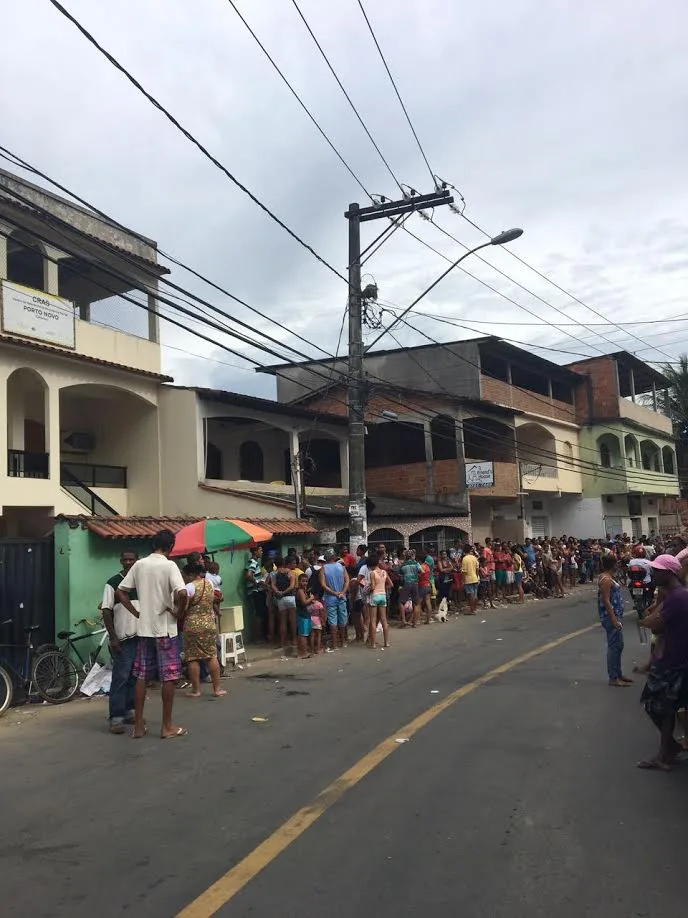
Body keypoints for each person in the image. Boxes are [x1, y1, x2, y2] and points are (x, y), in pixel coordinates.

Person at [117, 530, 188, 739]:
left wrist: (137, 612)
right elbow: (183, 593)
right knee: (169, 677)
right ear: (171, 547)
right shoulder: (169, 565)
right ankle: (167, 726)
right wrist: (179, 612)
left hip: (145, 629)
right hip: (165, 628)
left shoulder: (139, 565)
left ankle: (138, 726)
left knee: (141, 676)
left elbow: (121, 591)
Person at [638, 554, 688, 770]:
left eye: (657, 571)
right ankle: (667, 750)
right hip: (673, 658)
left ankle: (666, 750)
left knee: (656, 706)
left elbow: (652, 623)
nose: (653, 574)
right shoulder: (677, 595)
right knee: (665, 708)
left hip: (671, 661)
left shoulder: (677, 597)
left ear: (668, 573)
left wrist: (650, 614)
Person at [101, 551, 139, 734]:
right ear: (121, 561)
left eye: (132, 559)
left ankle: (130, 711)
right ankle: (116, 716)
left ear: (136, 561)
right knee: (121, 677)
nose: (128, 562)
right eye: (125, 559)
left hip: (141, 636)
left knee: (134, 676)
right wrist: (113, 636)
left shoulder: (142, 582)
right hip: (123, 637)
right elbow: (106, 610)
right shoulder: (113, 582)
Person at [181, 562, 226, 698]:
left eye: (185, 575)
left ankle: (196, 690)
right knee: (211, 655)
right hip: (209, 623)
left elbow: (184, 606)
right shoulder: (209, 584)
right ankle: (217, 689)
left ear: (190, 574)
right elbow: (213, 599)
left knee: (193, 658)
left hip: (192, 624)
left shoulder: (189, 587)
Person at [597, 554, 631, 688]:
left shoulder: (609, 577)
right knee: (614, 646)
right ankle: (613, 677)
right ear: (614, 564)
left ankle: (618, 673)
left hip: (616, 616)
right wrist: (614, 619)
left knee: (619, 645)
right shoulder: (606, 579)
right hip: (611, 617)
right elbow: (606, 600)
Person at [319, 548, 350, 649]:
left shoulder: (323, 568)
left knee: (333, 621)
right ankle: (343, 642)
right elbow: (347, 581)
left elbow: (323, 585)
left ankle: (335, 644)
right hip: (342, 597)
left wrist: (334, 593)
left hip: (330, 598)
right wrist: (342, 592)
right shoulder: (341, 567)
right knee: (343, 620)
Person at [366, 553, 393, 649]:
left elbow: (372, 587)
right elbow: (391, 584)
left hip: (375, 596)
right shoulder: (384, 572)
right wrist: (383, 588)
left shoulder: (372, 573)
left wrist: (367, 590)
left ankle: (373, 643)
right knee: (384, 620)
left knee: (373, 621)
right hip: (383, 596)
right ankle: (387, 642)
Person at [245, 546, 268, 641]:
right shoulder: (253, 562)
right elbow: (248, 575)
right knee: (258, 614)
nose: (262, 552)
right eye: (260, 550)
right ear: (255, 552)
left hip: (256, 591)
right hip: (256, 591)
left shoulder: (253, 562)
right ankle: (257, 637)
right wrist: (257, 583)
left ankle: (259, 635)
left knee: (259, 613)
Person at [273, 557, 297, 648]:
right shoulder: (291, 573)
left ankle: (282, 642)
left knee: (282, 621)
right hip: (290, 598)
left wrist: (278, 592)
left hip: (281, 599)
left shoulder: (276, 573)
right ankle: (294, 640)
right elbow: (291, 586)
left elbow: (273, 585)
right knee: (292, 621)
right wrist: (284, 592)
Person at [399, 549, 422, 627]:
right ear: (412, 556)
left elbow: (400, 574)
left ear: (406, 556)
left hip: (406, 583)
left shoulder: (403, 565)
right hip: (415, 583)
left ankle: (403, 620)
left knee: (401, 602)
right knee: (416, 603)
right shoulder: (416, 563)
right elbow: (421, 571)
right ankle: (414, 623)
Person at [295, 574, 315, 659]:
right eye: (303, 581)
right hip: (303, 615)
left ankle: (301, 651)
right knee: (304, 634)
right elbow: (304, 602)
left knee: (303, 634)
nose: (305, 583)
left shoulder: (303, 590)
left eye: (306, 581)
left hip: (305, 614)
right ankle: (304, 652)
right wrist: (311, 599)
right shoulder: (300, 591)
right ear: (299, 581)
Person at [461, 543, 480, 615]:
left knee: (471, 595)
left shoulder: (465, 559)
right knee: (475, 595)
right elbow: (477, 568)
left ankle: (471, 610)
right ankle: (474, 609)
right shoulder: (474, 558)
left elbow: (464, 571)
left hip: (468, 579)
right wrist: (477, 576)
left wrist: (463, 580)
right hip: (475, 577)